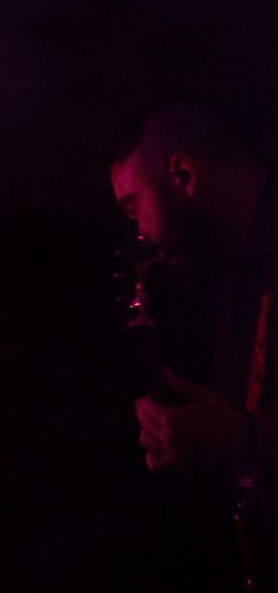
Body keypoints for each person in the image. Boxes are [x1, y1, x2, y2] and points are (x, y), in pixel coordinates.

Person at [113, 99, 277, 586]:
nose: (139, 233)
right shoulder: (239, 283)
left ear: (183, 174)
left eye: (134, 207)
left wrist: (249, 438)